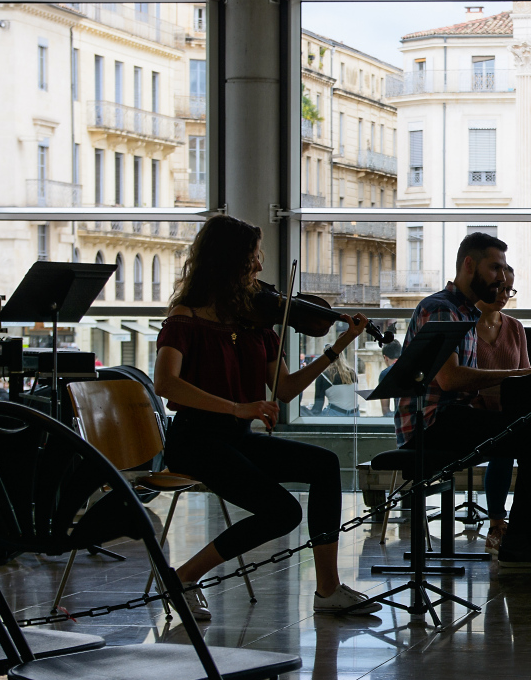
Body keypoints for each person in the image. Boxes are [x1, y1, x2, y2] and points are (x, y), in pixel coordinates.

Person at [153, 214, 381, 621]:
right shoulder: (185, 317)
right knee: (282, 511)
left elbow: (286, 388)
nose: (260, 267)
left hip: (236, 438)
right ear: (227, 262)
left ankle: (328, 589)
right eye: (252, 258)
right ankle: (183, 577)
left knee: (324, 464)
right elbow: (165, 383)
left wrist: (338, 347)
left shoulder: (255, 322)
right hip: (195, 441)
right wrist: (237, 407)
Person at [397, 232, 531, 570]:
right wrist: (520, 373)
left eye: (505, 269)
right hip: (430, 425)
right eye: (495, 268)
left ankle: (528, 542)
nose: (502, 277)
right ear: (469, 265)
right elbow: (449, 379)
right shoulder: (440, 308)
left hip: (450, 418)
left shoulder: (463, 311)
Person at [473, 263, 527, 555]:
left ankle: (530, 523)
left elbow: (524, 375)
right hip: (475, 411)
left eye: (509, 289)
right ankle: (497, 523)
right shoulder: (466, 325)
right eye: (499, 288)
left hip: (506, 409)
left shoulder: (515, 327)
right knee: (505, 443)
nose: (504, 294)